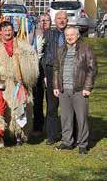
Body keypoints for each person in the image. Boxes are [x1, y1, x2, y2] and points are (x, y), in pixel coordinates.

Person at [0, 21, 39, 145]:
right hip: (2, 86)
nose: (8, 32)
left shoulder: (23, 47)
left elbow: (32, 66)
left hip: (19, 85)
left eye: (10, 30)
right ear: (0, 32)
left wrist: (22, 61)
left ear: (13, 31)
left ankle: (19, 135)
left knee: (21, 109)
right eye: (5, 30)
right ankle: (4, 134)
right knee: (5, 111)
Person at [53, 27, 97, 154]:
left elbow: (92, 69)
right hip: (63, 90)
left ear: (77, 35)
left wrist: (87, 87)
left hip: (79, 90)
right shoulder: (61, 50)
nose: (69, 37)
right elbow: (56, 68)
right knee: (66, 118)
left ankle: (82, 144)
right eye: (67, 35)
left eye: (72, 34)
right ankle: (67, 142)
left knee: (81, 118)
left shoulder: (86, 48)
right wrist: (56, 86)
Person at [42, 11, 67, 145]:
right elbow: (43, 55)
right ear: (55, 20)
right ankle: (51, 135)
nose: (61, 21)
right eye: (59, 18)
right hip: (51, 71)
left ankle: (68, 134)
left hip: (67, 72)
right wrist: (45, 74)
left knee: (68, 106)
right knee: (52, 106)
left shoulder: (71, 34)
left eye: (64, 18)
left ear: (67, 21)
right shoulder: (49, 34)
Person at [31, 14, 51, 136]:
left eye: (46, 20)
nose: (43, 23)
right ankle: (38, 126)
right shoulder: (32, 35)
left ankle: (50, 127)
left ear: (50, 22)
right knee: (37, 100)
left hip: (49, 71)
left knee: (51, 102)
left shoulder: (53, 35)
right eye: (41, 20)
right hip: (36, 71)